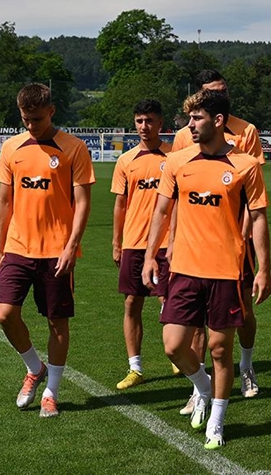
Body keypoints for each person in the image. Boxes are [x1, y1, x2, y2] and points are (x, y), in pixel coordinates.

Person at [141, 89, 271, 449]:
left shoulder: (246, 165)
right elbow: (161, 211)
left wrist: (263, 268)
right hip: (183, 268)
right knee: (173, 346)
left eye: (196, 118)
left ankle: (216, 421)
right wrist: (151, 255)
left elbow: (260, 217)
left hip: (227, 271)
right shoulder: (177, 161)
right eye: (189, 118)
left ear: (218, 121)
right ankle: (202, 387)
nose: (190, 125)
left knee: (219, 349)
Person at [0, 83, 95, 418]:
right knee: (5, 314)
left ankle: (51, 391)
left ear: (51, 111)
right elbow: (4, 202)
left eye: (36, 119)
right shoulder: (12, 148)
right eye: (25, 119)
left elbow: (82, 203)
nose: (30, 125)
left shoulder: (74, 148)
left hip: (56, 250)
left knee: (57, 322)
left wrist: (71, 246)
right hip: (17, 247)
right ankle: (34, 368)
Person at [173, 69, 265, 409]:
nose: (220, 94)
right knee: (196, 321)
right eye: (212, 90)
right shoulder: (185, 135)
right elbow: (180, 191)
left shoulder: (247, 131)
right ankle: (199, 389)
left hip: (236, 241)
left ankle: (246, 366)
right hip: (195, 246)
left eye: (223, 90)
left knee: (243, 309)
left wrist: (242, 234)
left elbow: (251, 194)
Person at [110, 99, 172, 390]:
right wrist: (116, 243)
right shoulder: (126, 160)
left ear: (160, 123)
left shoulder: (175, 157)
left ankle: (177, 354)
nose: (143, 126)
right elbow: (120, 204)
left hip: (167, 242)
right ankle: (135, 368)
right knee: (132, 302)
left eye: (149, 121)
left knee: (169, 299)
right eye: (139, 121)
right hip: (134, 242)